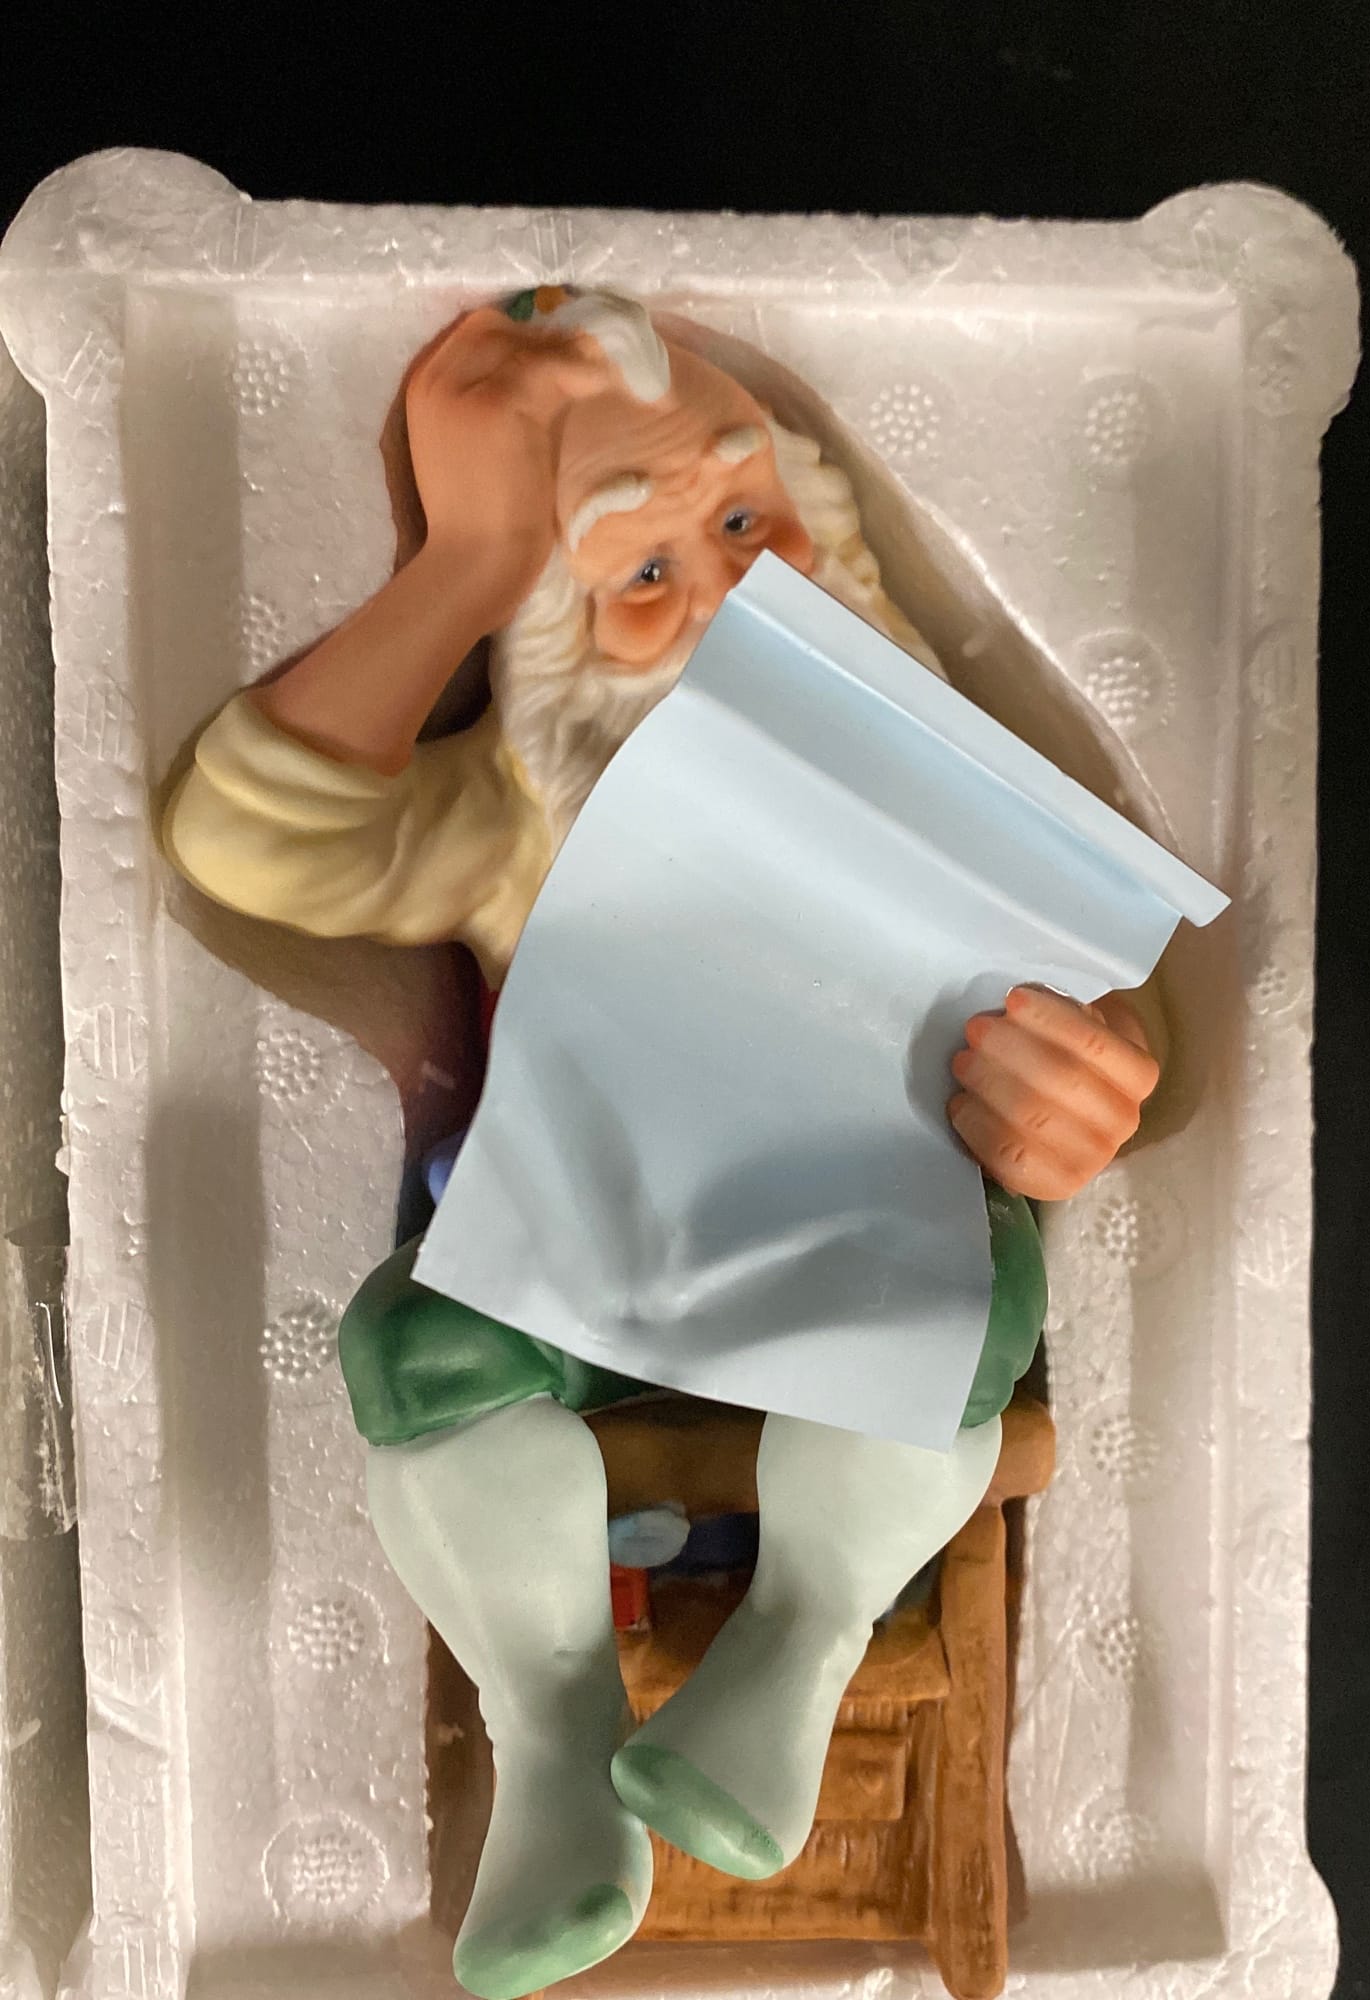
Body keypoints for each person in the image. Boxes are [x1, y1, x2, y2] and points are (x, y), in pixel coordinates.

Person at [162, 290, 1161, 2000]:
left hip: (864, 1243)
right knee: (416, 1350)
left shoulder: (936, 797)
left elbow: (1107, 997)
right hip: (588, 1259)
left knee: (943, 1327)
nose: (736, 599)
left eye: (746, 519)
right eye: (641, 569)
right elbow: (255, 839)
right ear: (551, 626)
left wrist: (1088, 1086)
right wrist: (468, 561)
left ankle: (798, 1651)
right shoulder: (521, 820)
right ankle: (554, 1738)